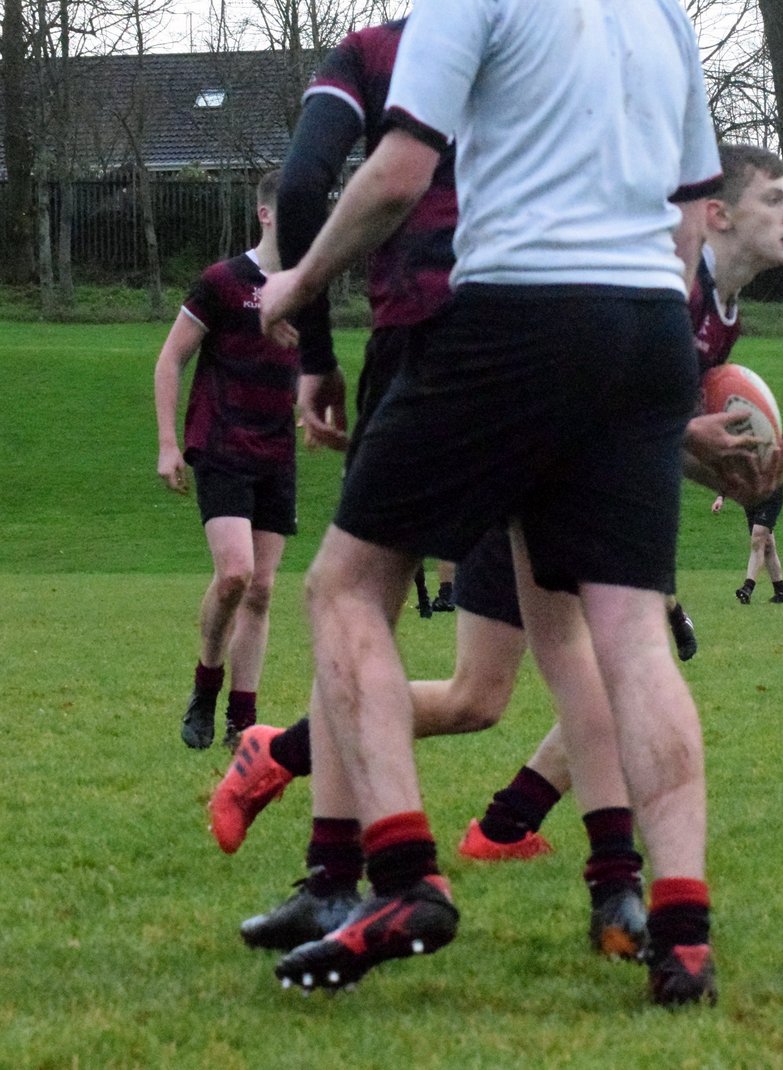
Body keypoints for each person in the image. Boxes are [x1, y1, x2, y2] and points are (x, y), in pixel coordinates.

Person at [256, 4, 737, 1003]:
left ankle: (403, 878)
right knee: (629, 632)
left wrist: (299, 281)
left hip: (518, 311)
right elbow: (693, 217)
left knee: (345, 586)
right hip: (651, 321)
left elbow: (397, 174)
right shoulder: (664, 15)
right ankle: (682, 934)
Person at [154, 170, 297, 755]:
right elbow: (171, 359)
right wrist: (168, 443)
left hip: (276, 451)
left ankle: (243, 722)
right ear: (265, 213)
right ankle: (205, 684)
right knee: (235, 573)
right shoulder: (222, 281)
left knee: (261, 589)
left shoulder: (307, 286)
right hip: (221, 445)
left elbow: (310, 363)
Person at [718, 434, 783, 604]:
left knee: (758, 537)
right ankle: (781, 592)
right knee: (767, 545)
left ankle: (747, 587)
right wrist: (721, 497)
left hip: (771, 498)